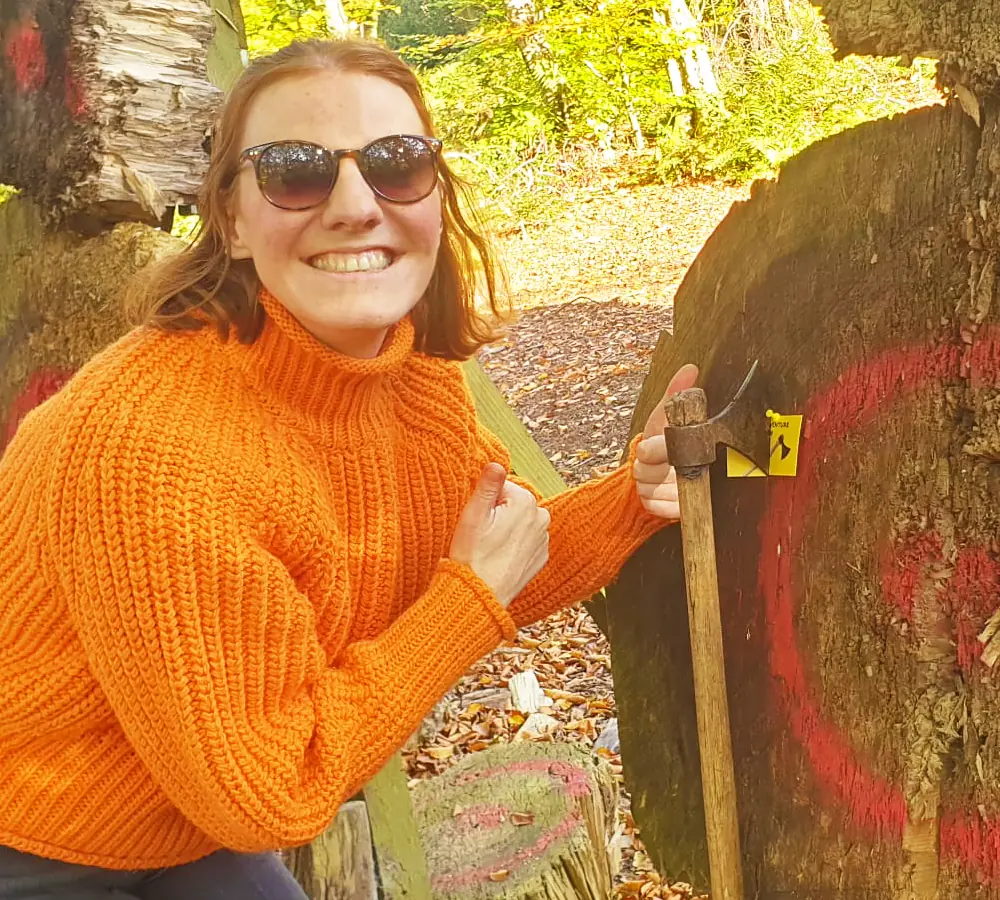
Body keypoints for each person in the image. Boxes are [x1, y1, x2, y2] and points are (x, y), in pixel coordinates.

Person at [0, 38, 697, 899]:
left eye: (396, 163)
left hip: (190, 809)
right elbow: (272, 794)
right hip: (33, 835)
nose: (356, 206)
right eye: (296, 172)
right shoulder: (153, 451)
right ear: (230, 220)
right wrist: (464, 607)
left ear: (436, 197)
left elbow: (500, 554)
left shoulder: (409, 379)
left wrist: (635, 496)